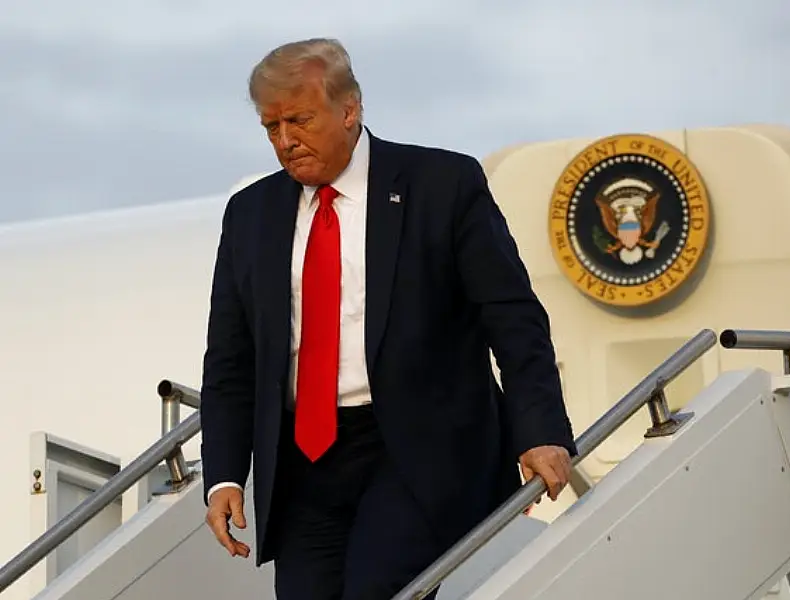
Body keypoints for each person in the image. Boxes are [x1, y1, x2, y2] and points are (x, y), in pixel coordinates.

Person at [199, 37, 577, 600]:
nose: (285, 142)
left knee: (378, 588)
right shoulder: (250, 214)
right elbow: (231, 356)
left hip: (415, 449)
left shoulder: (442, 186)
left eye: (299, 120)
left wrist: (541, 431)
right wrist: (225, 474)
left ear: (349, 110)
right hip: (304, 459)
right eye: (271, 128)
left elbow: (512, 316)